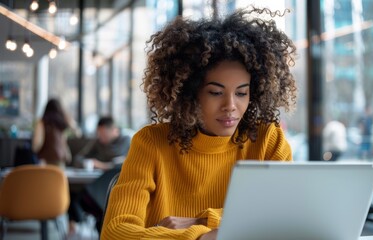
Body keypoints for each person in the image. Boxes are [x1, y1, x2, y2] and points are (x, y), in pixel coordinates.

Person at [101, 6, 297, 240]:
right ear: (190, 93)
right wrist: (202, 237)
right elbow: (115, 232)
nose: (230, 106)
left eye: (242, 93)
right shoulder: (151, 143)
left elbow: (285, 217)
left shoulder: (267, 139)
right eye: (215, 93)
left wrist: (202, 222)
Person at [68, 116, 131, 234]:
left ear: (114, 130)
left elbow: (125, 163)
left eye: (104, 134)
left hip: (117, 189)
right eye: (99, 133)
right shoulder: (97, 142)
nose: (101, 137)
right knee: (72, 193)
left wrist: (102, 165)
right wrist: (87, 163)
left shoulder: (126, 141)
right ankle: (79, 225)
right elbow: (78, 159)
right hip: (95, 185)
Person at [32, 98, 81, 167]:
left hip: (45, 159)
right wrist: (68, 119)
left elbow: (37, 142)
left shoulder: (42, 122)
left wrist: (34, 151)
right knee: (58, 177)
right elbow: (78, 133)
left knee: (46, 177)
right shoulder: (61, 124)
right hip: (60, 158)